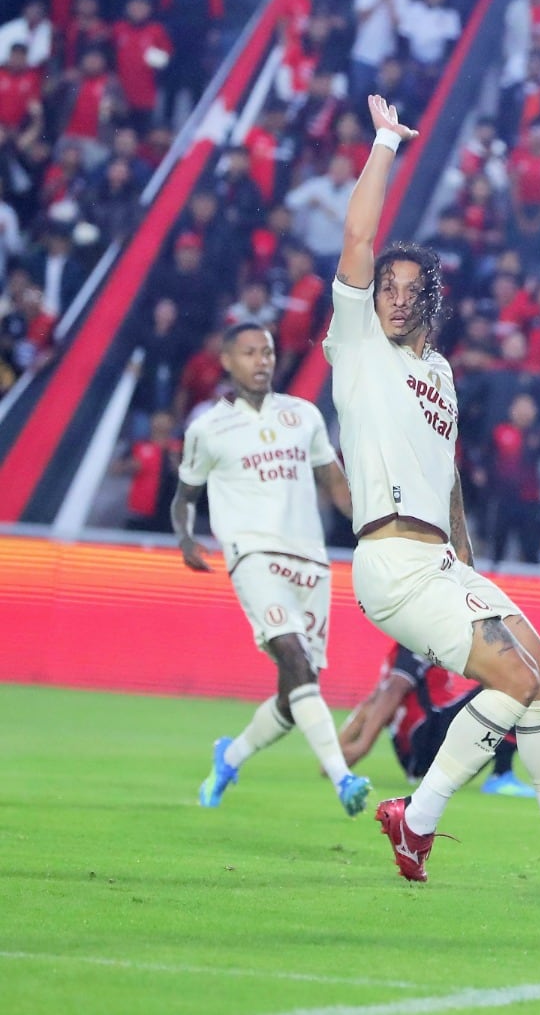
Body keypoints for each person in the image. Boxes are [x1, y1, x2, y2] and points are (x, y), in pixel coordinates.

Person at [325, 95, 540, 883]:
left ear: (431, 298)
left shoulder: (438, 373)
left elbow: (448, 469)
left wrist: (465, 549)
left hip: (440, 557)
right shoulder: (358, 345)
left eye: (410, 288)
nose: (394, 296)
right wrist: (382, 144)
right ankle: (417, 818)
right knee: (513, 680)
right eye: (386, 287)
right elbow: (359, 234)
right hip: (390, 556)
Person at [173, 321, 371, 817]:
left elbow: (333, 481)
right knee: (294, 658)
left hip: (310, 560)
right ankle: (344, 780)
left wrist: (373, 523)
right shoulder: (207, 428)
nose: (261, 360)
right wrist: (185, 537)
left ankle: (230, 757)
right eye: (249, 352)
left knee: (295, 690)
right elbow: (184, 496)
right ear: (227, 361)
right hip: (253, 555)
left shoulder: (302, 416)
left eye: (267, 351)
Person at [339, 643, 540, 799]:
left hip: (419, 755)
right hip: (428, 740)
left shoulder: (399, 653)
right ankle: (506, 775)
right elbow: (393, 691)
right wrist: (362, 746)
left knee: (518, 681)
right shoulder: (415, 641)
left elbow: (373, 701)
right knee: (522, 678)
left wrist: (335, 757)